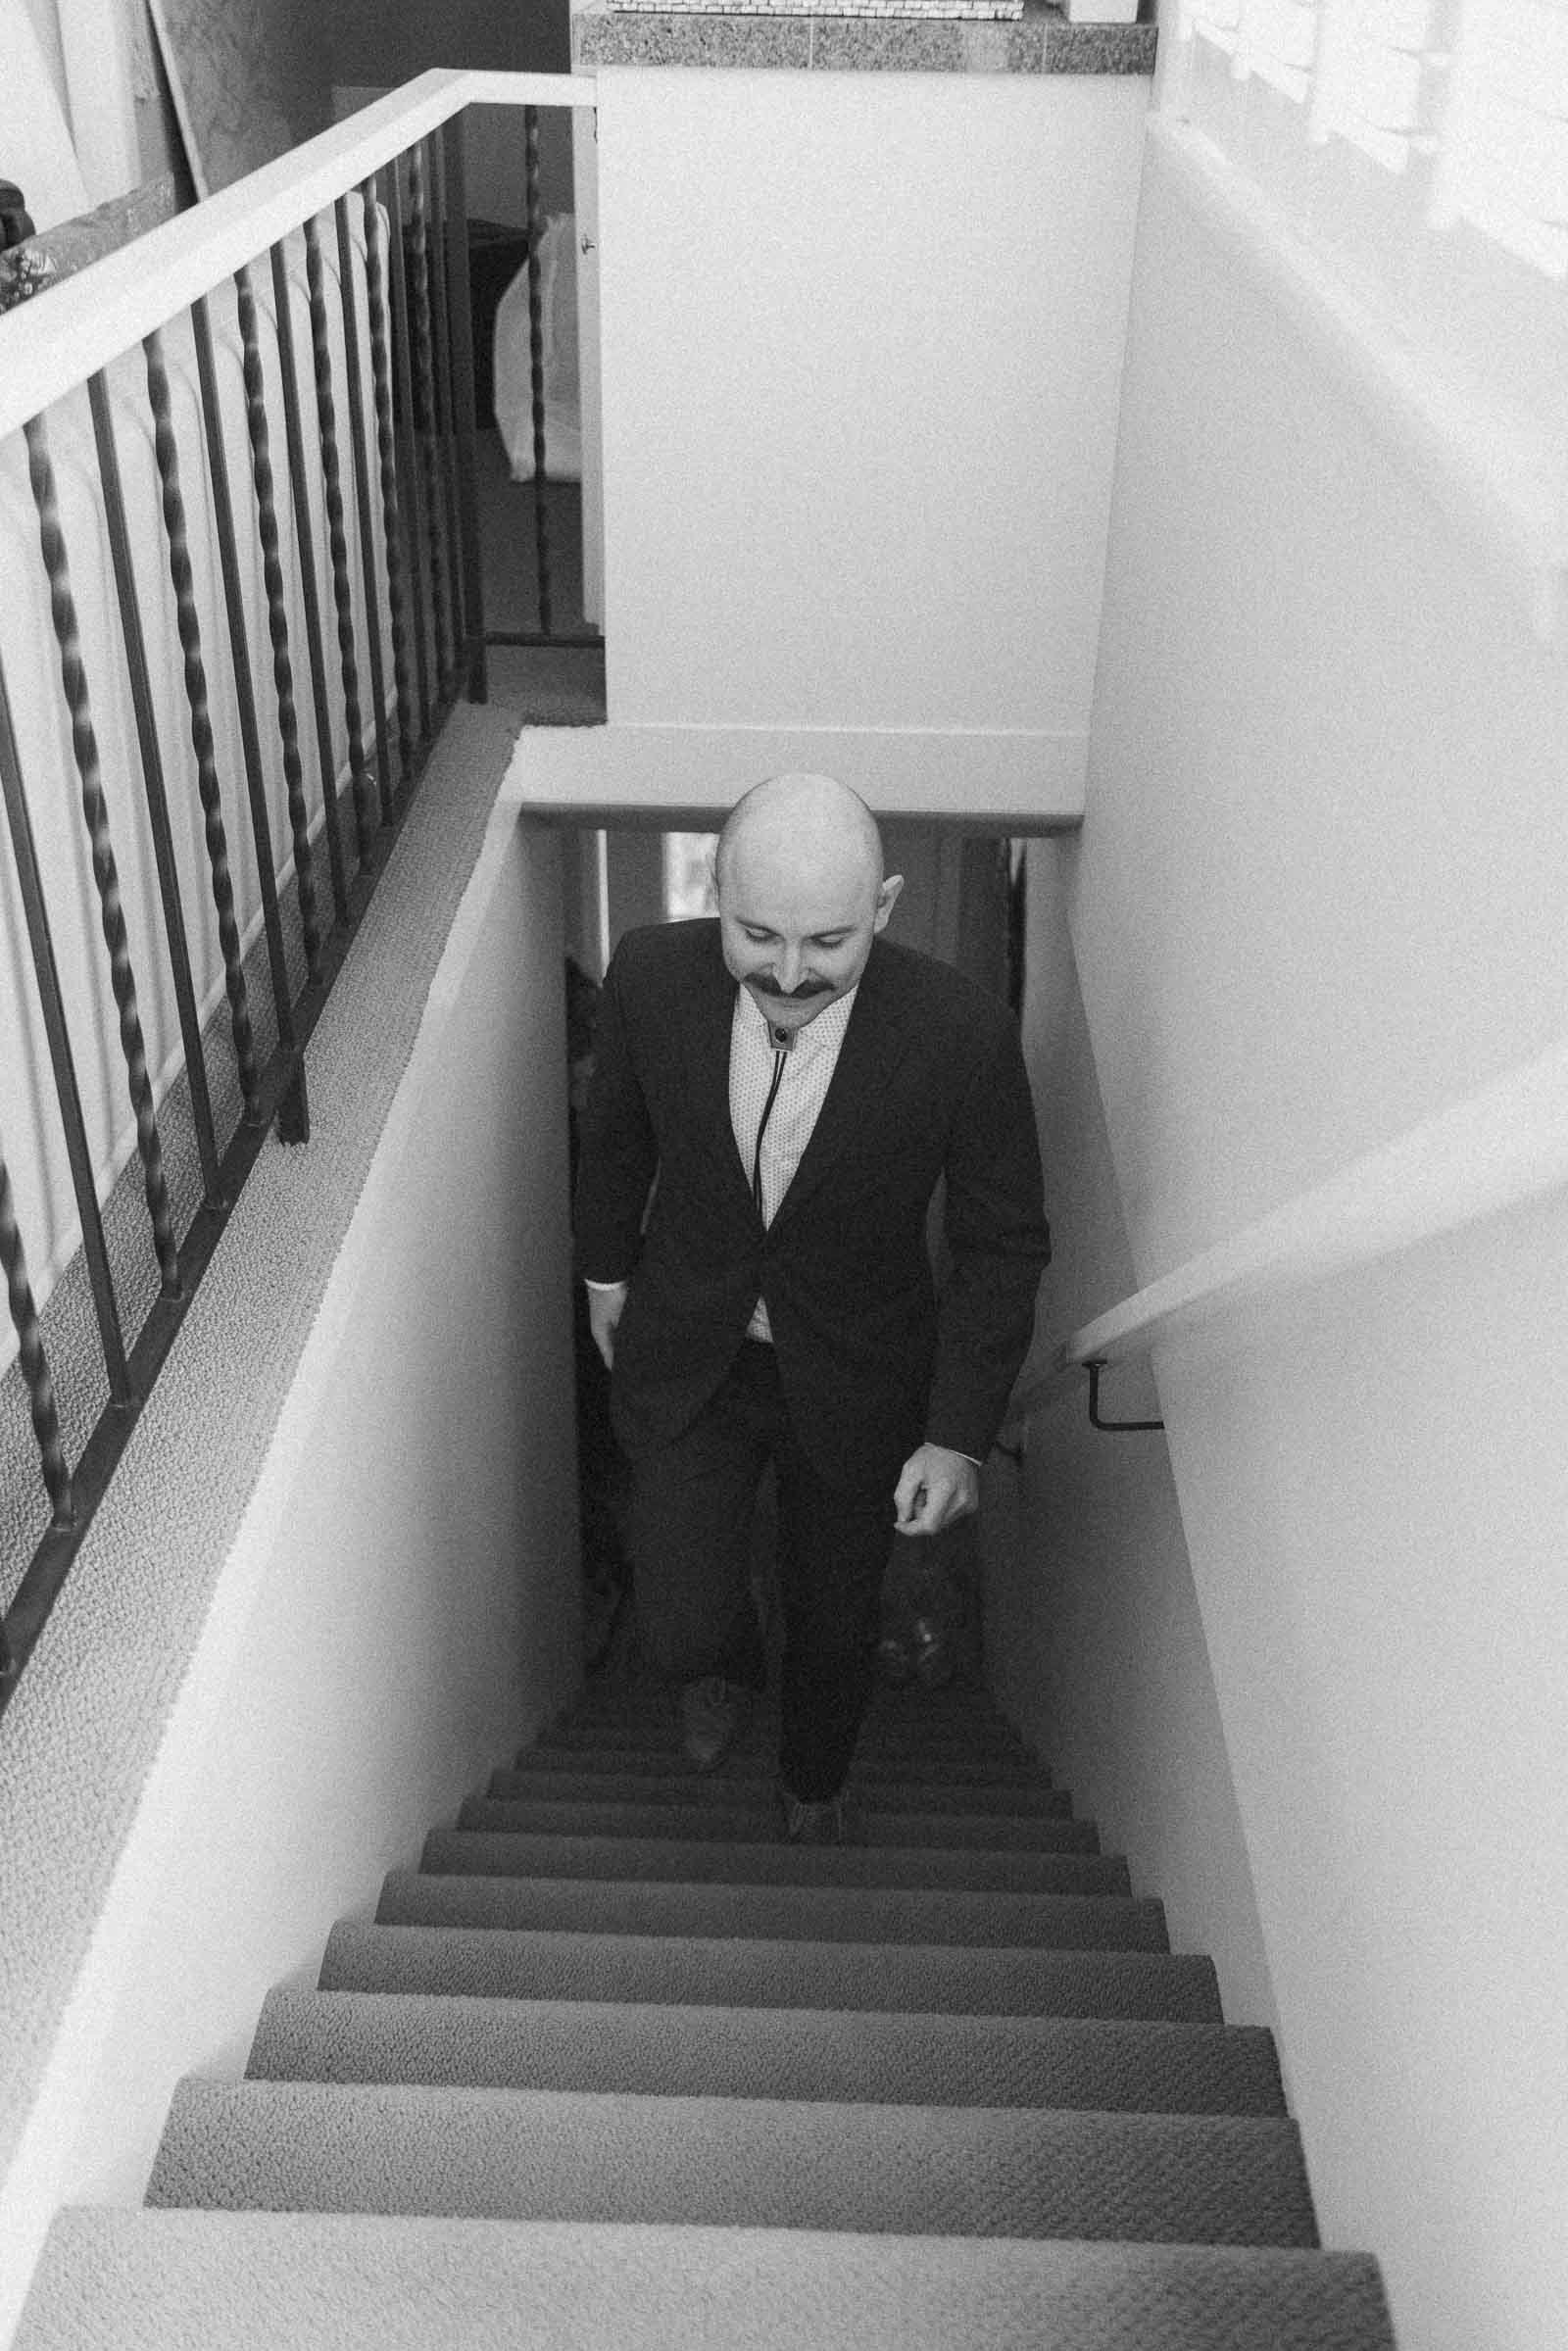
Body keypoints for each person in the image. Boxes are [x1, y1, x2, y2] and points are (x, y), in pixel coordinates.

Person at [572, 773, 1050, 1841]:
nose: (790, 975)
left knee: (835, 1615)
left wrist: (955, 1434)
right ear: (716, 889)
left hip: (860, 1369)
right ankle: (726, 1664)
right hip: (694, 1345)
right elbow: (616, 1137)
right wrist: (604, 1273)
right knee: (677, 1620)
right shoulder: (648, 975)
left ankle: (814, 1774)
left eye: (829, 942)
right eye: (758, 935)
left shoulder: (963, 1032)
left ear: (882, 907)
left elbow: (1002, 1245)